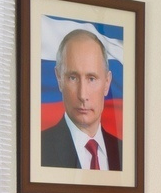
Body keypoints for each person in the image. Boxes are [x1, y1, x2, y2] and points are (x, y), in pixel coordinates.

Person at [40, 28, 121, 171]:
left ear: (107, 83)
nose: (82, 95)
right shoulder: (39, 148)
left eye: (91, 78)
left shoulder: (123, 153)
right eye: (73, 78)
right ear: (59, 79)